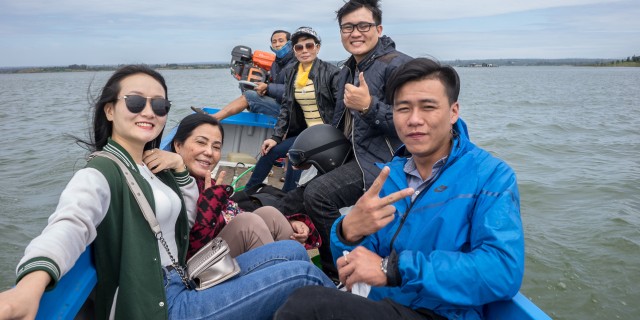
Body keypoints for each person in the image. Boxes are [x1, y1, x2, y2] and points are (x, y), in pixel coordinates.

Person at [0, 65, 334, 320]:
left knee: (291, 252)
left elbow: (184, 226)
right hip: (161, 305)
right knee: (301, 271)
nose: (148, 111)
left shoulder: (148, 166)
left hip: (182, 278)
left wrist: (179, 170)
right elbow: (69, 224)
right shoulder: (102, 171)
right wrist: (29, 286)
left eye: (159, 105)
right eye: (135, 101)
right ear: (110, 110)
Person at [274, 58, 525, 320]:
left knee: (306, 306)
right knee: (288, 279)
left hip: (440, 313)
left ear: (453, 112)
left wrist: (395, 269)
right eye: (403, 108)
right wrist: (346, 233)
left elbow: (503, 270)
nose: (414, 120)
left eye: (428, 107)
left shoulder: (491, 175)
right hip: (381, 303)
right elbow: (355, 262)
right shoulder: (391, 175)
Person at [302, 0, 413, 280]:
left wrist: (368, 106)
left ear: (379, 28)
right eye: (347, 27)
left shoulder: (398, 66)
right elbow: (339, 124)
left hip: (385, 163)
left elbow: (413, 123)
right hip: (354, 155)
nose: (355, 33)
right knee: (295, 194)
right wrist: (310, 152)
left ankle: (338, 271)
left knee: (317, 196)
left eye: (363, 26)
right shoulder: (349, 69)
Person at [144, 113, 320, 256]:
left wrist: (294, 223)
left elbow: (231, 215)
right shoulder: (167, 184)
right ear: (177, 145)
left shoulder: (204, 181)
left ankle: (295, 274)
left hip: (221, 246)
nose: (209, 152)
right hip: (197, 267)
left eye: (216, 146)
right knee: (249, 223)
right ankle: (282, 283)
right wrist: (210, 202)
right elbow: (193, 248)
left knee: (270, 213)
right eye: (201, 142)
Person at [245, 26, 340, 192]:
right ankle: (247, 193)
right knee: (270, 151)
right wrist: (276, 137)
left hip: (328, 135)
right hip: (306, 134)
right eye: (299, 47)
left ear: (317, 47)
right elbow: (286, 108)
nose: (304, 50)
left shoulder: (331, 73)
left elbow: (341, 109)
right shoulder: (291, 72)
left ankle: (287, 197)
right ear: (294, 50)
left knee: (296, 154)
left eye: (309, 46)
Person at [207, 30, 297, 121]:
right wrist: (265, 90)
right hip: (282, 104)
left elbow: (295, 90)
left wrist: (268, 88)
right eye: (274, 42)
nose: (277, 44)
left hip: (291, 111)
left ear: (290, 43)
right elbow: (275, 87)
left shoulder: (296, 63)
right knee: (252, 94)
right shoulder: (275, 64)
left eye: (281, 41)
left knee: (248, 96)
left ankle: (215, 118)